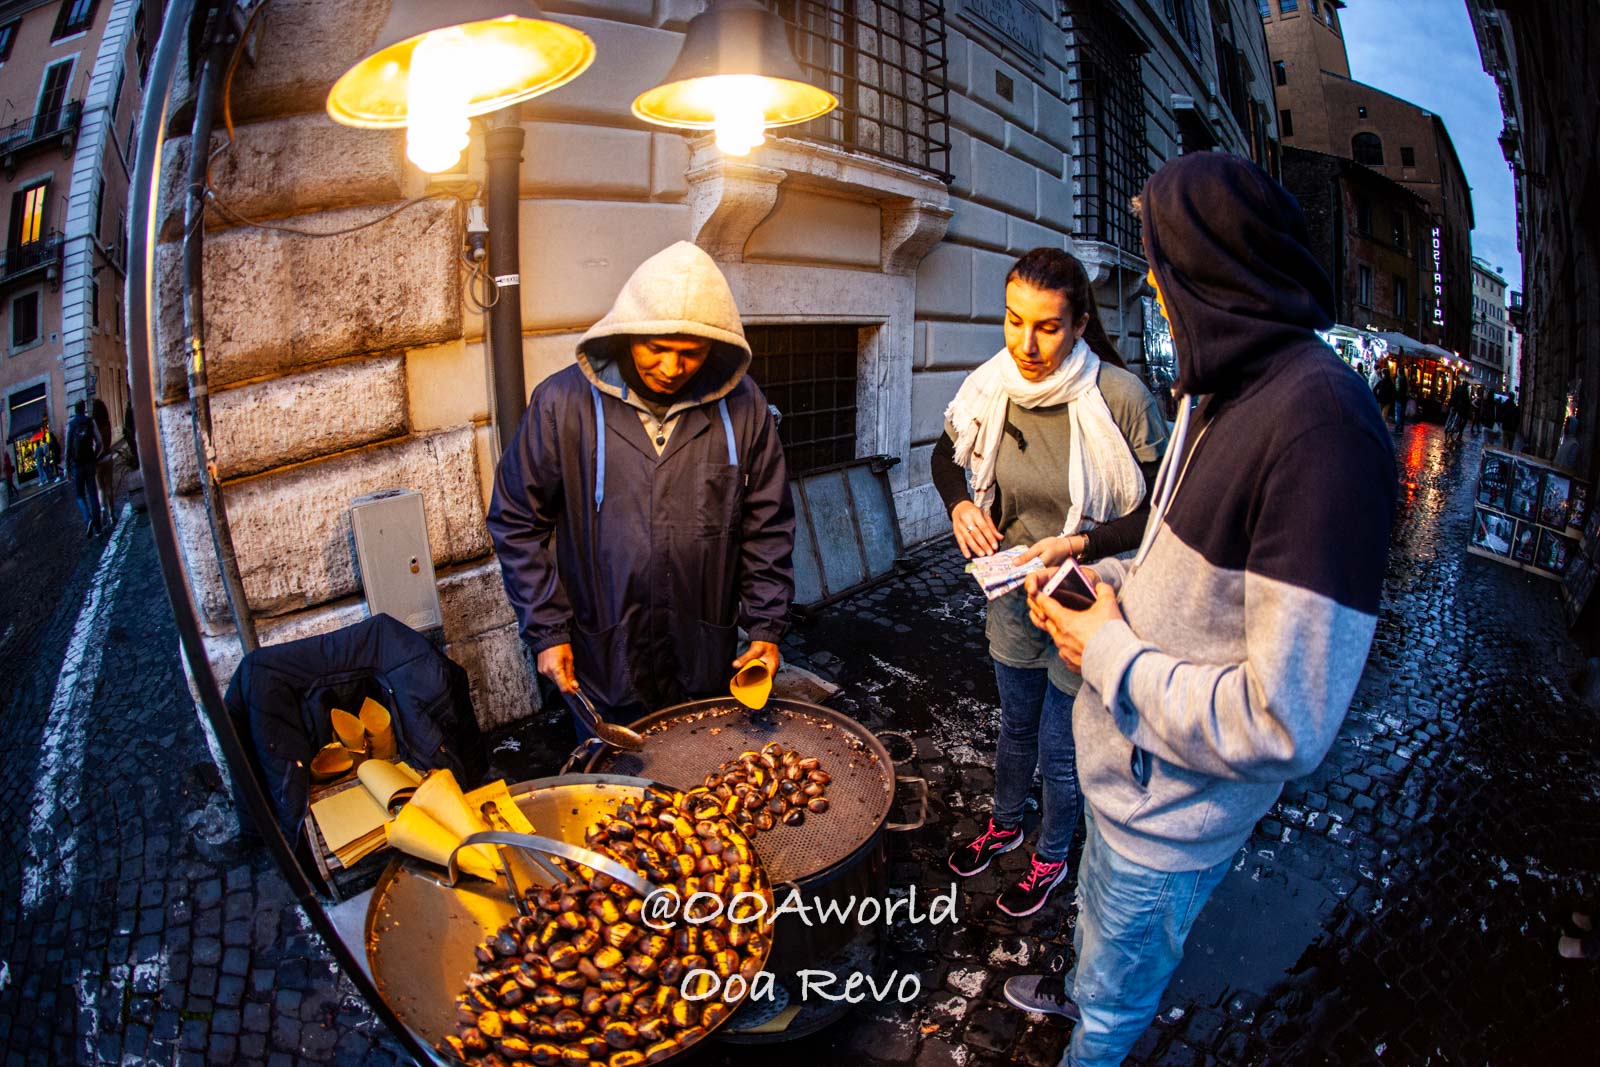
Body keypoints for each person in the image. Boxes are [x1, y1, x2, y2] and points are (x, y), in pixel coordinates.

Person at [1000, 153, 1396, 1066]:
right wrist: (1114, 588)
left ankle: (1092, 1029)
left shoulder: (1321, 431)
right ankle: (1083, 990)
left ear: (1208, 272)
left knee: (1116, 998)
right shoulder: (1217, 389)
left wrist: (1106, 652)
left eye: (1161, 263)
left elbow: (1284, 722)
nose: (1149, 283)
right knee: (1101, 940)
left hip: (1170, 817)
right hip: (1126, 778)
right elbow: (1188, 569)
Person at [930, 247, 1168, 918]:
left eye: (1047, 327)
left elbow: (1160, 511)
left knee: (1061, 747)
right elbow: (945, 456)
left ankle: (1051, 857)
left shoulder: (1120, 398)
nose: (1025, 344)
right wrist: (962, 504)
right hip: (1011, 592)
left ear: (1081, 324)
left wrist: (1082, 543)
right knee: (1015, 725)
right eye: (1013, 321)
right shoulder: (990, 384)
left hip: (1082, 596)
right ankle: (1006, 822)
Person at [487, 241, 795, 731]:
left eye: (691, 354)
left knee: (702, 781)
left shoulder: (745, 406)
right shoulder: (561, 404)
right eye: (657, 349)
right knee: (615, 786)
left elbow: (767, 525)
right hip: (604, 652)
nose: (672, 369)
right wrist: (547, 630)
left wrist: (766, 624)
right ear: (627, 334)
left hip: (704, 651)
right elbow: (516, 520)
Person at [65, 400, 105, 535]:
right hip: (89, 463)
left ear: (75, 411)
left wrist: (68, 469)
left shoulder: (70, 425)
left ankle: (88, 519)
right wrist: (95, 455)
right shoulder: (90, 421)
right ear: (84, 409)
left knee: (79, 496)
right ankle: (99, 529)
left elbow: (67, 448)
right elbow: (99, 442)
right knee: (93, 494)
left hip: (77, 466)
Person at [92, 398, 116, 528]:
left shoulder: (93, 425)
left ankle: (102, 511)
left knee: (100, 488)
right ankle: (112, 514)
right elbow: (109, 440)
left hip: (98, 461)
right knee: (109, 487)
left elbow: (95, 443)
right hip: (108, 457)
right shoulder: (107, 424)